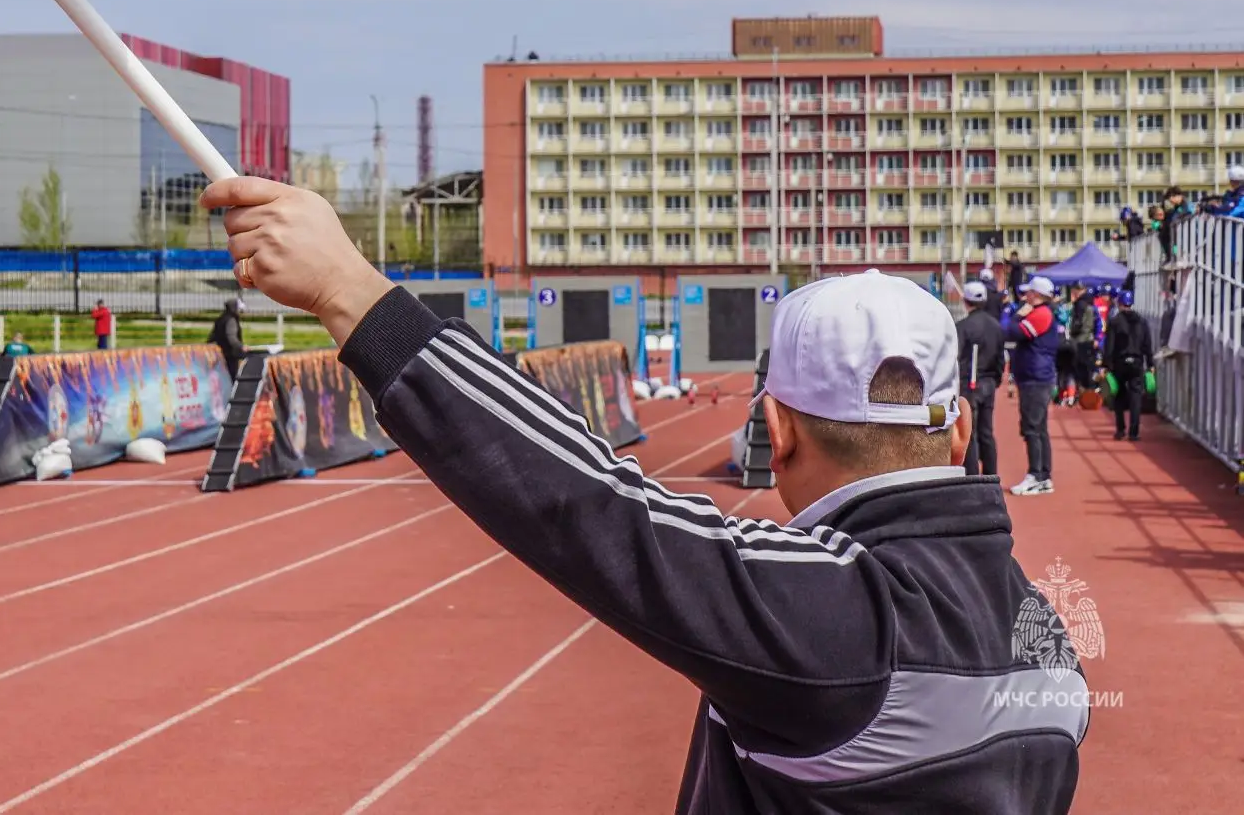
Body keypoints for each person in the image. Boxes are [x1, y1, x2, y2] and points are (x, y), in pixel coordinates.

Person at [202, 176, 1084, 814]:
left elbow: (591, 501)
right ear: (958, 435)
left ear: (775, 432)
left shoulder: (842, 616)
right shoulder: (1048, 644)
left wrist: (349, 292)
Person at [1003, 275, 1060, 496]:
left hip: (1035, 378)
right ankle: (1043, 475)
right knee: (1038, 428)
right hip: (1036, 376)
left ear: (1036, 295)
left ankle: (1036, 474)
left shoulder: (1041, 314)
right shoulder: (1043, 312)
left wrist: (1017, 314)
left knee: (1032, 428)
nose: (1025, 296)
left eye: (1028, 292)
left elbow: (1011, 331)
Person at [956, 281, 1005, 476]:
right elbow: (1001, 358)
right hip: (988, 382)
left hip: (970, 382)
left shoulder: (963, 326)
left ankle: (972, 475)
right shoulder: (996, 326)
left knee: (969, 432)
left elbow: (956, 356)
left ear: (965, 301)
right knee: (986, 431)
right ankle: (991, 474)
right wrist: (996, 379)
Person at [1103, 290, 1154, 442]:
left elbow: (1109, 345)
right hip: (1137, 362)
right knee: (1136, 397)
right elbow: (1147, 344)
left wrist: (1106, 365)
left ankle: (1120, 429)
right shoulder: (1142, 321)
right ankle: (1134, 431)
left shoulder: (1114, 322)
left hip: (1120, 362)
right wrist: (1150, 363)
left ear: (1119, 303)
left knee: (1119, 395)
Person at [1067, 284, 1097, 391]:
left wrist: (1071, 331)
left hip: (1080, 340)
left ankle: (1084, 392)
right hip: (1089, 338)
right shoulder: (1091, 302)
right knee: (1088, 369)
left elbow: (1077, 323)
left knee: (1080, 370)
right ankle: (1090, 391)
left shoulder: (1080, 304)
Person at [209, 297, 245, 381]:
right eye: (239, 309)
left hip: (219, 352)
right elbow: (231, 337)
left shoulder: (221, 318)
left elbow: (213, 335)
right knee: (232, 376)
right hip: (230, 353)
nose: (240, 312)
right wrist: (241, 346)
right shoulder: (231, 320)